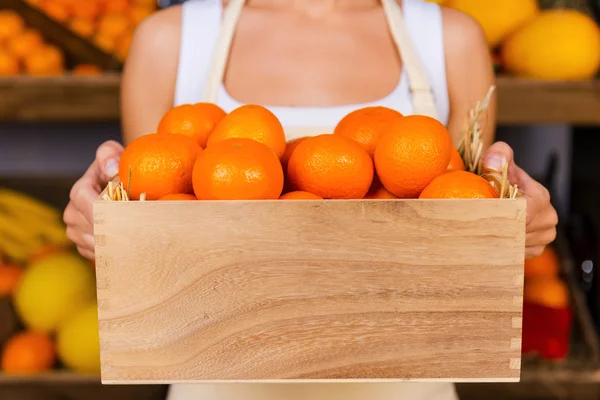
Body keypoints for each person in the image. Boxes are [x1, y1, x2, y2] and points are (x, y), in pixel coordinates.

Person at [64, 0, 559, 399]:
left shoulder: (449, 39)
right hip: (217, 384)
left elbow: (458, 218)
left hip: (409, 384)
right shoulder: (169, 40)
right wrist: (105, 228)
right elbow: (155, 233)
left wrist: (508, 224)